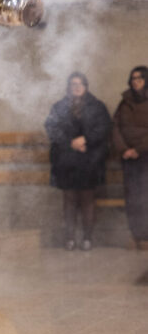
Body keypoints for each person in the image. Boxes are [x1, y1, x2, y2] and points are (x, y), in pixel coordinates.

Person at [45, 72, 111, 251]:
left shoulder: (97, 106)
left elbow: (104, 128)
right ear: (68, 87)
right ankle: (70, 238)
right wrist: (70, 143)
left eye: (80, 84)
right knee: (69, 200)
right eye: (73, 84)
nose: (77, 87)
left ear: (86, 87)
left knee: (87, 199)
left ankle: (87, 238)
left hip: (90, 160)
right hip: (66, 160)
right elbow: (51, 128)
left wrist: (85, 139)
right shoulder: (59, 106)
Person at [112, 65, 148, 249]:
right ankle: (136, 235)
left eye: (140, 78)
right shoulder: (124, 102)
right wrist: (124, 149)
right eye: (133, 78)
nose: (136, 82)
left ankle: (146, 237)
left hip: (145, 156)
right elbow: (115, 127)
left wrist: (138, 149)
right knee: (132, 197)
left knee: (145, 196)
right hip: (128, 157)